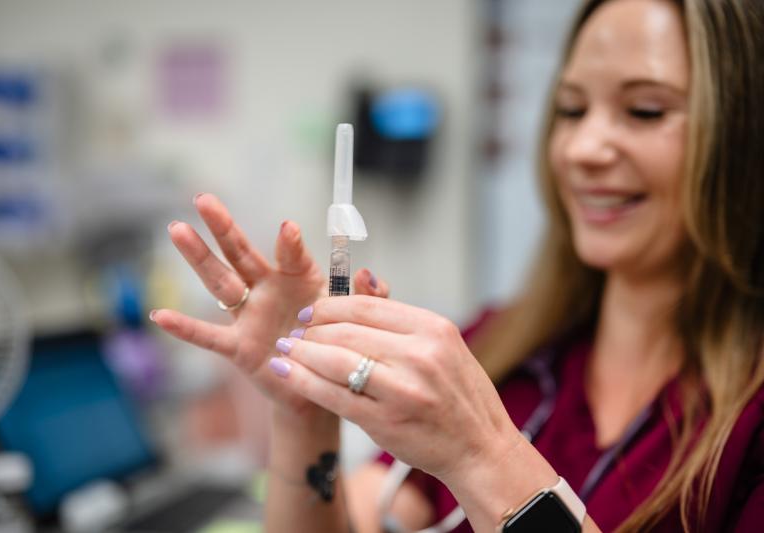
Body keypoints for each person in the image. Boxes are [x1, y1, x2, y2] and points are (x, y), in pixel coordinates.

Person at [148, 0, 764, 530]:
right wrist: (303, 408)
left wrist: (485, 457)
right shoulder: (501, 347)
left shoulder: (747, 418)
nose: (582, 149)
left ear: (743, 130)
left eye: (645, 111)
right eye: (572, 110)